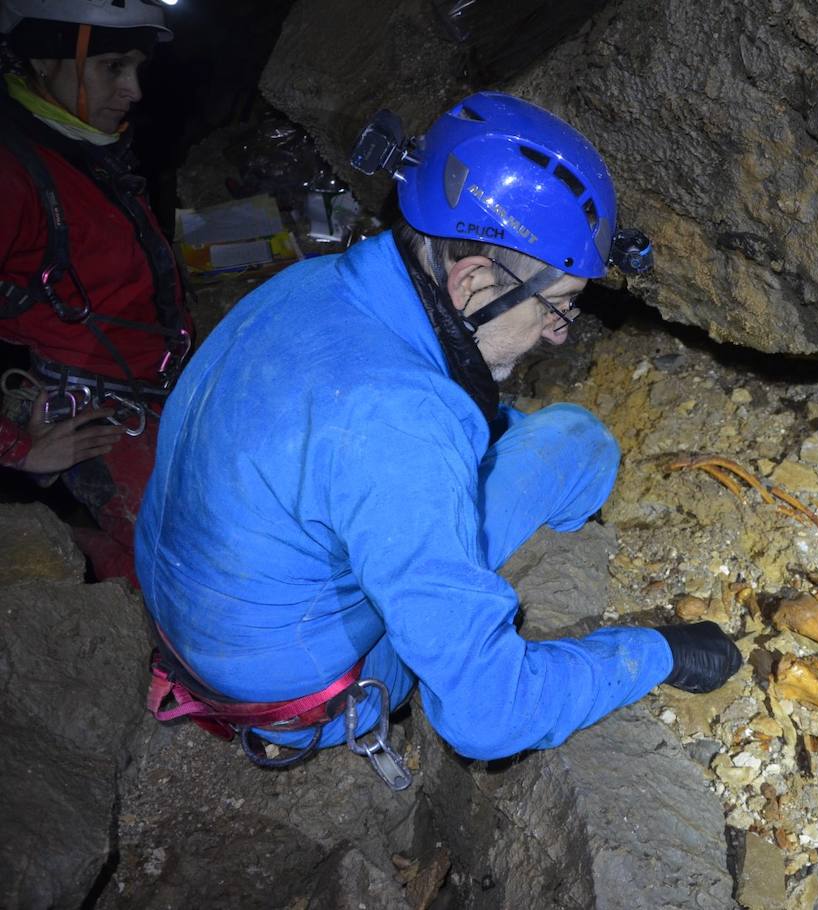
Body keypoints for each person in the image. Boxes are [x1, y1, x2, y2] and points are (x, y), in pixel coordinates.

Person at [137, 92, 741, 787]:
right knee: (578, 441)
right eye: (559, 305)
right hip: (306, 687)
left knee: (533, 440)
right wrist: (656, 654)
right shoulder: (404, 426)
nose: (557, 332)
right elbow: (489, 717)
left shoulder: (311, 282)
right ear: (476, 280)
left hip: (203, 622)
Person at [0, 0, 192, 584]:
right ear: (43, 62)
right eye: (112, 67)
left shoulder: (78, 143)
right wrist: (19, 449)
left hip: (154, 385)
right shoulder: (13, 172)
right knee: (184, 570)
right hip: (98, 414)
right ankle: (76, 553)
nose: (133, 90)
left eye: (137, 67)